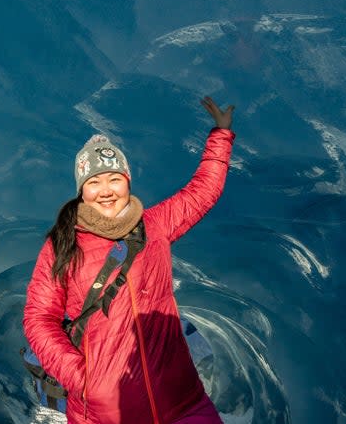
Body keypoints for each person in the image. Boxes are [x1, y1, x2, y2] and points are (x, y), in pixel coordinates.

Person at [23, 96, 235, 424]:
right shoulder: (63, 244)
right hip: (109, 412)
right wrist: (83, 380)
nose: (105, 190)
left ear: (127, 181)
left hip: (182, 400)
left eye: (114, 179)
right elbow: (39, 318)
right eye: (93, 182)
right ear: (82, 191)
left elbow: (202, 192)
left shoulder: (156, 224)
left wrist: (220, 135)